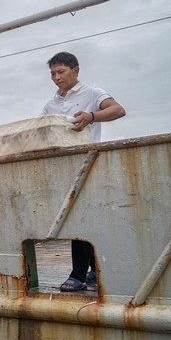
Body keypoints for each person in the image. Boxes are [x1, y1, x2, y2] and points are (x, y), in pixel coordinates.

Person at [41, 52, 126, 292]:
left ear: (75, 70)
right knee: (73, 219)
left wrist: (92, 116)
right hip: (62, 168)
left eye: (61, 72)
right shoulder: (51, 104)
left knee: (79, 218)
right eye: (53, 74)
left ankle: (77, 275)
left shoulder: (93, 93)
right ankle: (93, 270)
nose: (57, 78)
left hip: (87, 165)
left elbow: (118, 110)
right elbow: (42, 130)